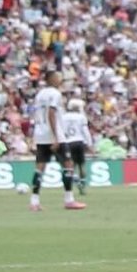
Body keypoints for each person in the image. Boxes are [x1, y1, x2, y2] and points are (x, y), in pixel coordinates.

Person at [29, 70, 85, 211]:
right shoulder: (55, 94)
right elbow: (51, 113)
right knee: (68, 164)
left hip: (40, 134)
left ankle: (34, 202)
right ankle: (69, 200)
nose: (60, 80)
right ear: (51, 79)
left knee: (40, 167)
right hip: (54, 134)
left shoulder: (40, 94)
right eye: (58, 77)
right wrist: (55, 137)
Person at [61, 97, 92, 195]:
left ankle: (73, 183)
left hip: (68, 142)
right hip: (79, 141)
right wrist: (89, 144)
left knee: (70, 166)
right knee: (81, 165)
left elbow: (62, 131)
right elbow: (85, 131)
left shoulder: (63, 117)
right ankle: (82, 184)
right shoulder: (81, 117)